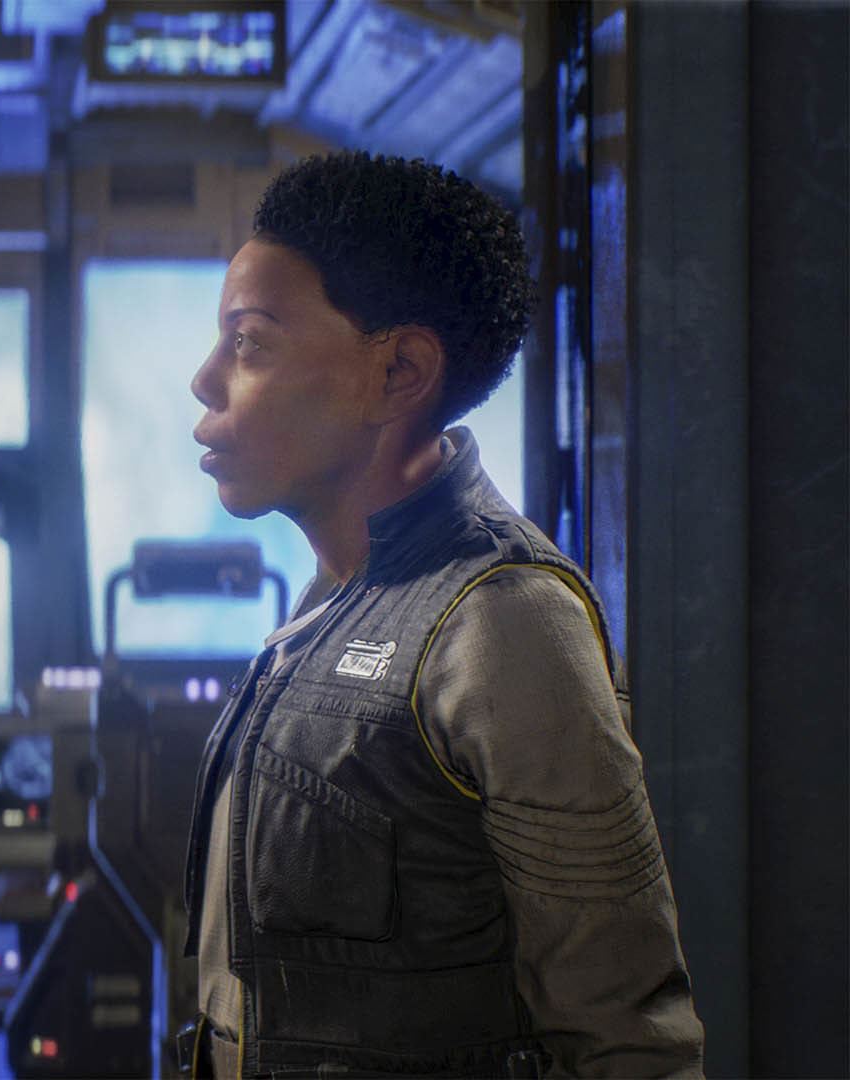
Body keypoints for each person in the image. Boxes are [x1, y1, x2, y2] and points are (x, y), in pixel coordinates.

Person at [178, 152, 703, 1078]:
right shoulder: (331, 601)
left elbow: (625, 1037)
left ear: (399, 372)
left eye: (249, 343)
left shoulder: (503, 620)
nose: (205, 380)